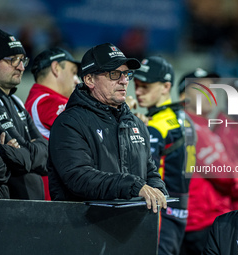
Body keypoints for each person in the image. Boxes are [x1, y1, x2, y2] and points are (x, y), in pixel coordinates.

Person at [48, 43, 167, 213]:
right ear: (89, 80)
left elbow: (150, 171)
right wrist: (133, 186)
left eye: (126, 74)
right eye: (114, 74)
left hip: (134, 229)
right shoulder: (69, 123)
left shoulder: (137, 124)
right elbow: (79, 178)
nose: (124, 81)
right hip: (84, 230)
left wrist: (158, 189)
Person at [178, 68, 238, 255]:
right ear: (182, 96)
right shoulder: (190, 128)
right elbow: (227, 178)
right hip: (200, 224)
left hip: (205, 221)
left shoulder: (204, 129)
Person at [133, 56, 196, 255]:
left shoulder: (156, 127)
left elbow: (139, 173)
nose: (138, 92)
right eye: (136, 85)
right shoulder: (185, 119)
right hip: (179, 210)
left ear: (166, 87)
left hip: (159, 212)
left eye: (146, 86)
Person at [0, 26, 48, 199]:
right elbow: (4, 167)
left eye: (22, 60)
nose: (21, 67)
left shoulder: (17, 102)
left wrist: (5, 151)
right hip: (7, 211)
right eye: (12, 60)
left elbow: (45, 156)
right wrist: (20, 152)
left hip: (29, 210)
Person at [25, 47, 81, 200]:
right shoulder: (46, 101)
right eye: (73, 72)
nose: (77, 80)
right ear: (56, 68)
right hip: (54, 199)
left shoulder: (36, 100)